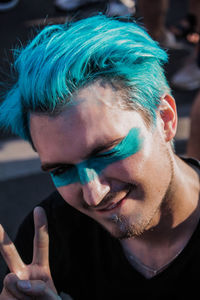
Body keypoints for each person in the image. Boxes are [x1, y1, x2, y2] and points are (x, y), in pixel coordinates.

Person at [0, 14, 199, 300]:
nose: (94, 196)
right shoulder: (46, 243)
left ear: (165, 119)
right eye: (61, 169)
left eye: (106, 152)